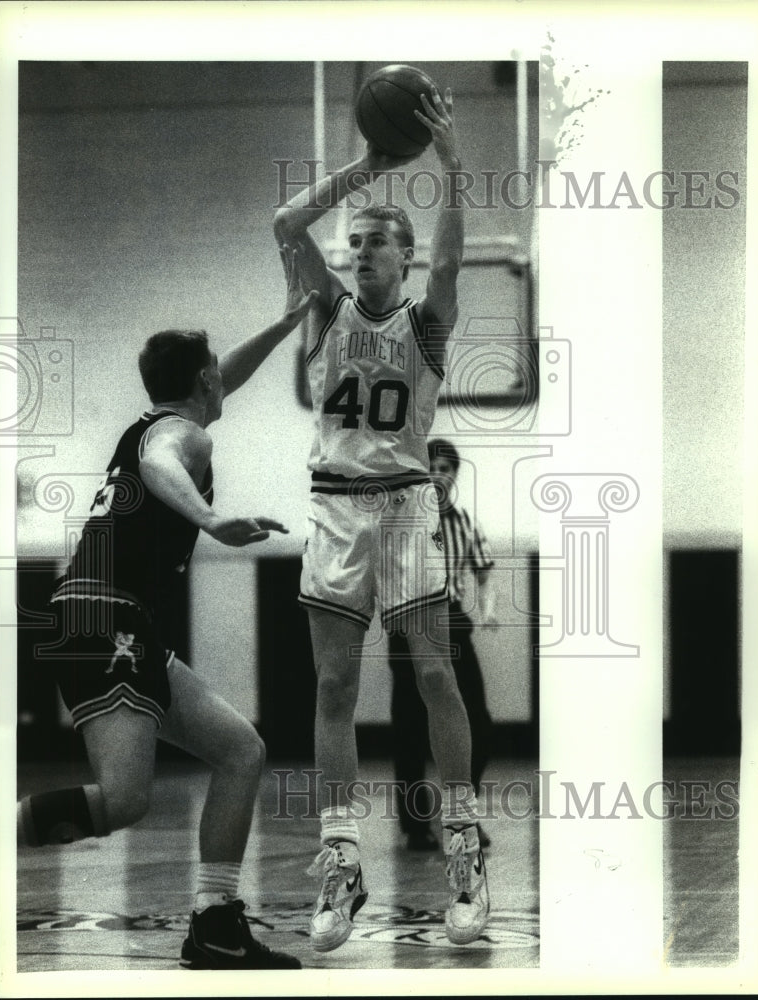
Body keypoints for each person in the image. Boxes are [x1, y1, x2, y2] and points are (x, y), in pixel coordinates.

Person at [16, 251, 316, 971]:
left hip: (109, 616)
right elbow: (162, 465)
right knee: (124, 801)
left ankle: (215, 925)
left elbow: (208, 395)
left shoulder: (164, 415)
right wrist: (211, 521)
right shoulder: (178, 436)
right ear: (204, 382)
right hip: (103, 617)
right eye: (218, 373)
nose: (225, 381)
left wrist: (283, 325)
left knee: (241, 750)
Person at [273, 84, 490, 951]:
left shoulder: (425, 320)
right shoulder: (324, 308)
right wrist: (370, 166)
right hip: (333, 507)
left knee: (434, 678)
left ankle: (466, 850)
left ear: (402, 260)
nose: (361, 251)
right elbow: (286, 224)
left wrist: (449, 168)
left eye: (377, 244)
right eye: (355, 243)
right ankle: (339, 864)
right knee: (331, 688)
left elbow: (451, 263)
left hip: (403, 510)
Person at [389, 438, 496, 852]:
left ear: (454, 476)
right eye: (433, 465)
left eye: (448, 468)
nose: (440, 473)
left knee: (478, 723)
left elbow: (485, 573)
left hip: (452, 621)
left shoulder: (464, 521)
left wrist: (487, 609)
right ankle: (416, 824)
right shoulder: (400, 518)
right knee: (410, 728)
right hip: (408, 620)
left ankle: (462, 815)